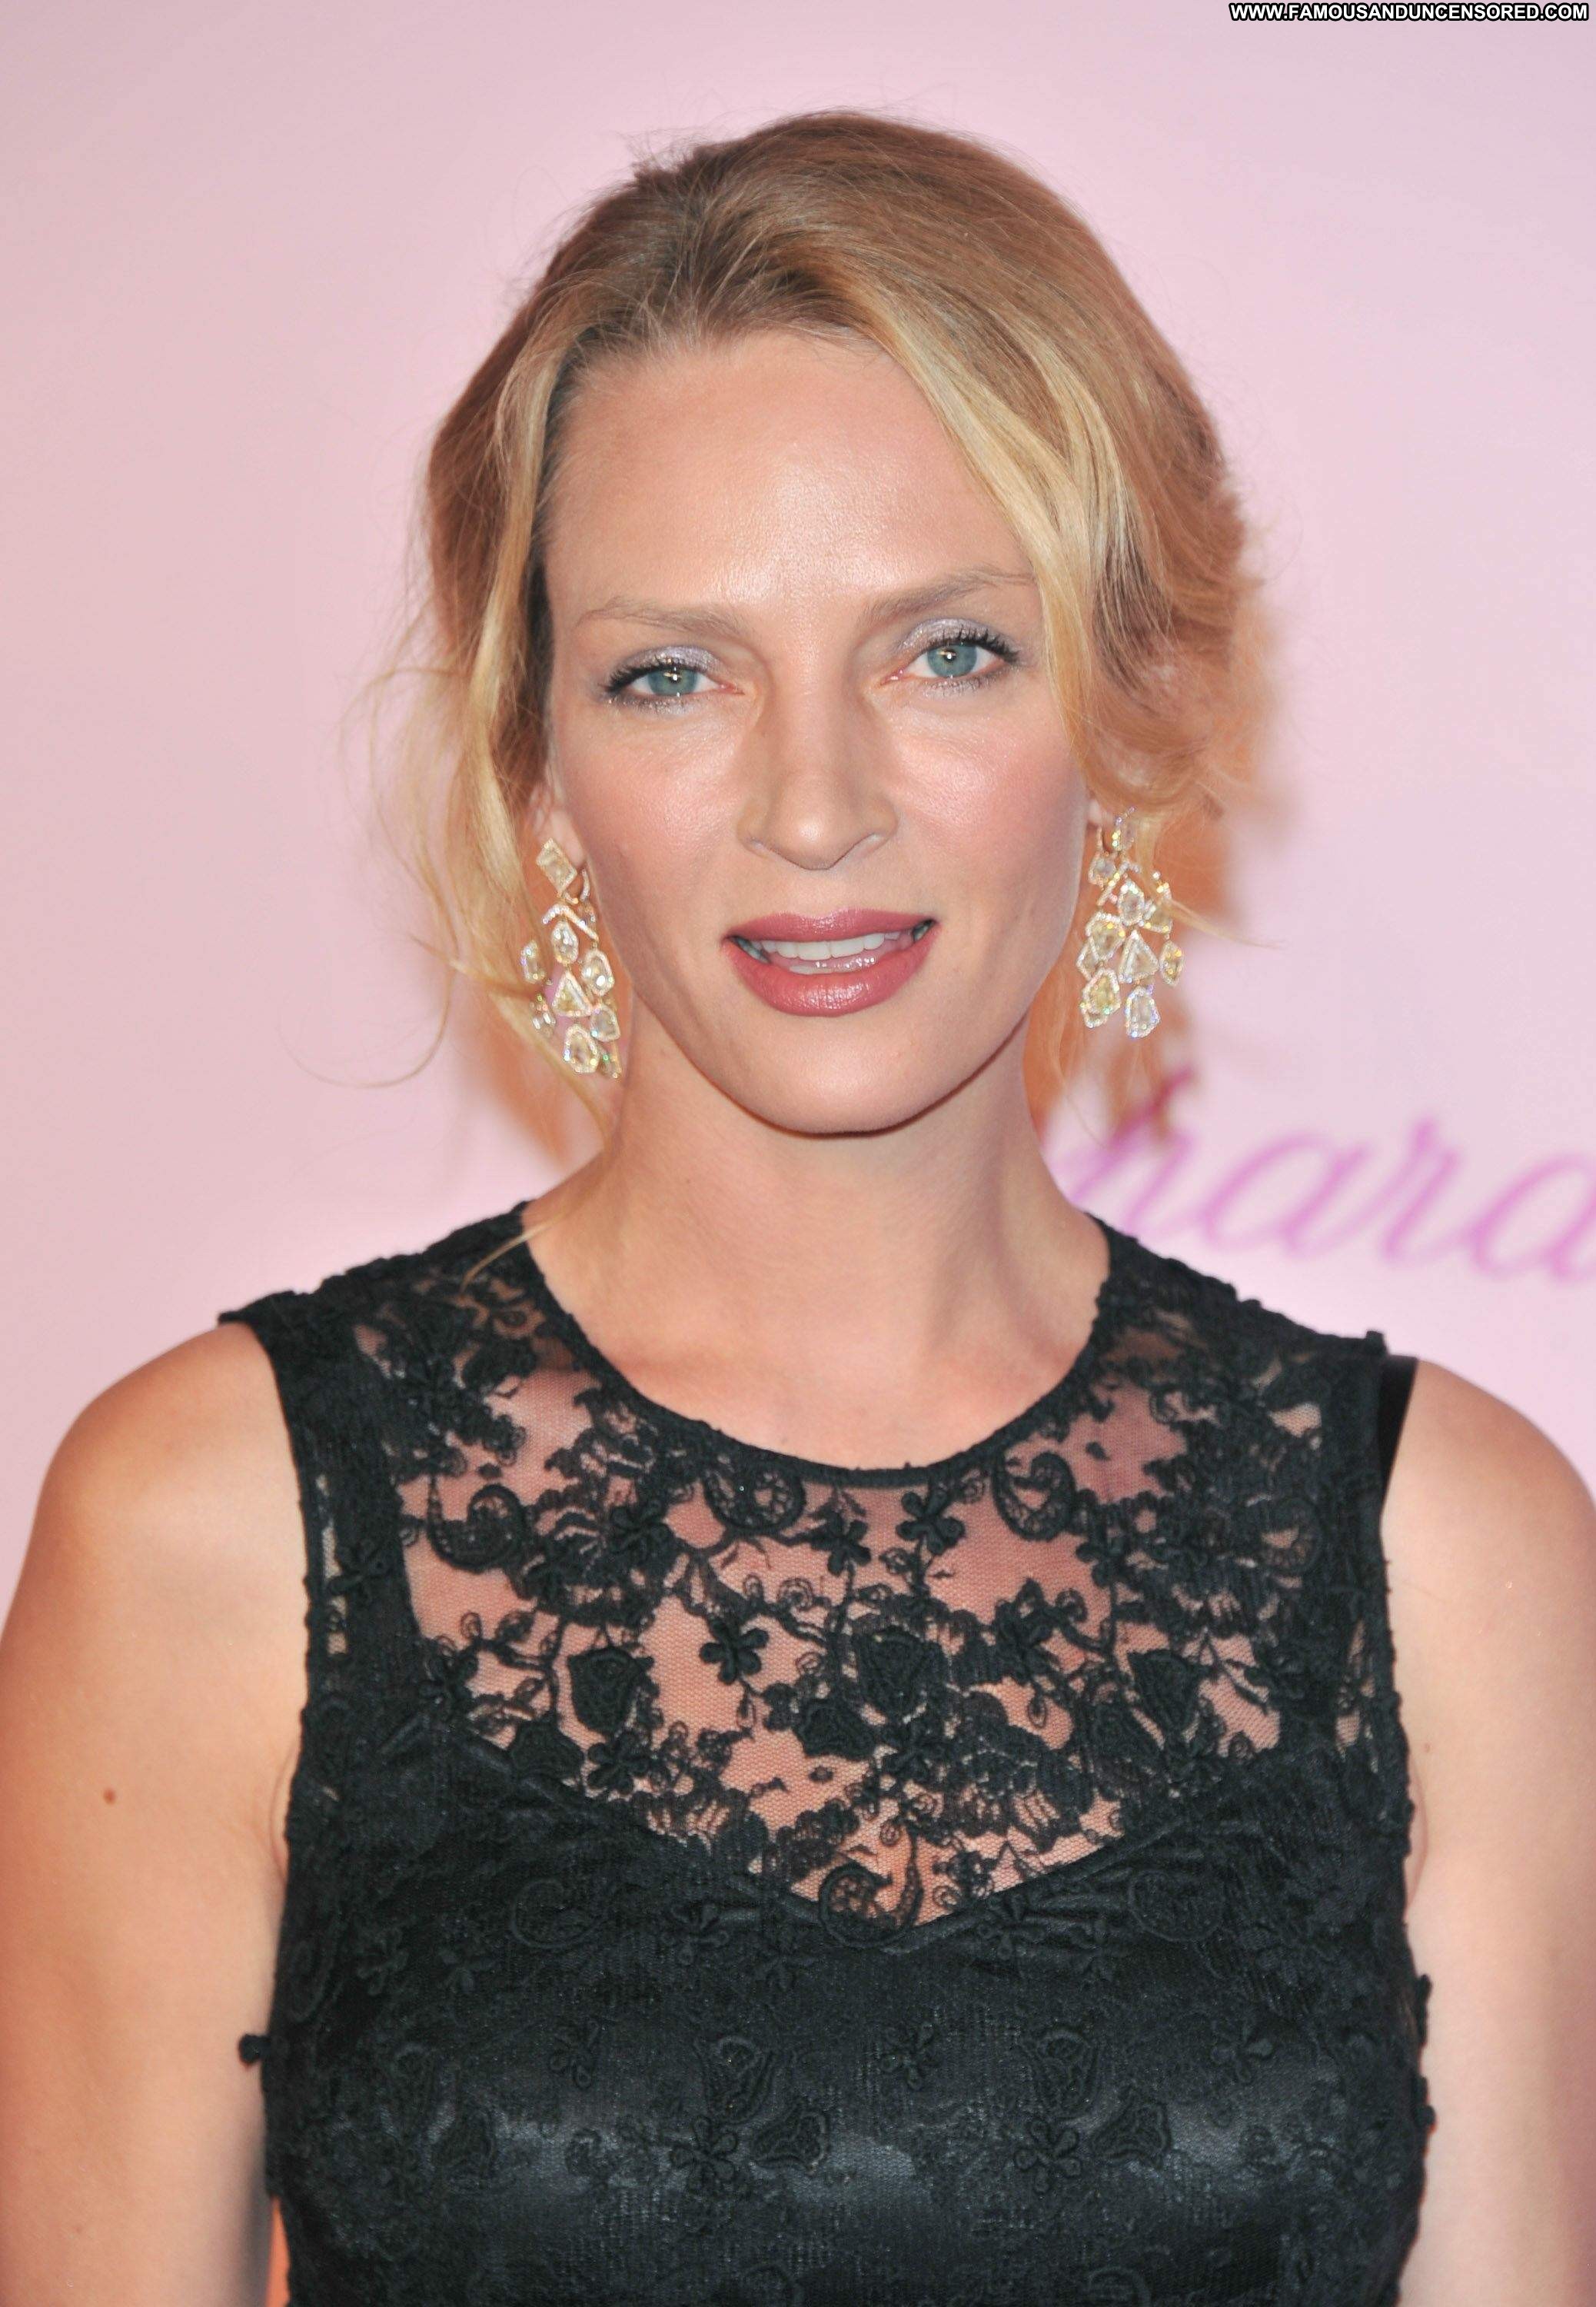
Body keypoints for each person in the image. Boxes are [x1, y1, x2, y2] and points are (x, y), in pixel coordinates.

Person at [2, 106, 1592, 2307]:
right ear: (539, 774)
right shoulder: (214, 1526)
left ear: (1128, 707)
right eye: (673, 674)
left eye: (948, 652)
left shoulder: (1446, 1551)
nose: (816, 804)